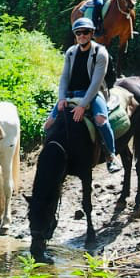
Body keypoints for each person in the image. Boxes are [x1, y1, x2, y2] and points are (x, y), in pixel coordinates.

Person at [46, 17, 119, 173]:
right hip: (71, 94)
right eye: (78, 33)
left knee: (101, 120)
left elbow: (96, 83)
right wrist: (61, 98)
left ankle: (111, 156)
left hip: (93, 93)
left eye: (85, 32)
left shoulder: (100, 53)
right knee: (49, 124)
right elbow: (64, 77)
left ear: (92, 33)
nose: (82, 35)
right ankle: (51, 156)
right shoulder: (71, 52)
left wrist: (82, 105)